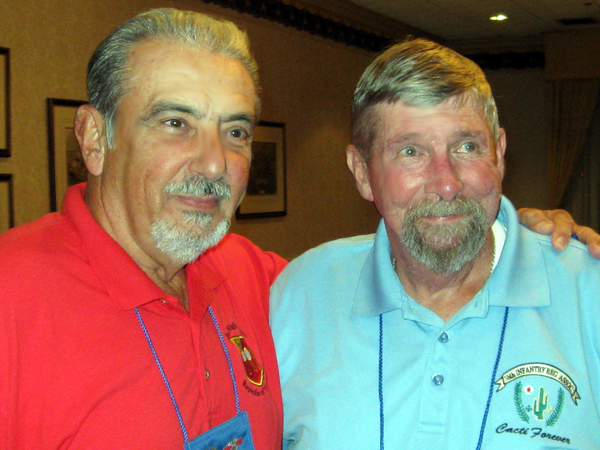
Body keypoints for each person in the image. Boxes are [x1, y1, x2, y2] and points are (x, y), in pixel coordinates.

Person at [270, 38, 600, 449]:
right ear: (360, 172)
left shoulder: (589, 291)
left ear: (498, 153)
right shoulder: (300, 292)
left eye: (467, 147)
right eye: (411, 151)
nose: (447, 183)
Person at [0, 9, 286, 449]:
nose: (215, 163)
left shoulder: (249, 271)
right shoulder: (11, 297)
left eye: (235, 131)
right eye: (175, 123)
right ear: (95, 139)